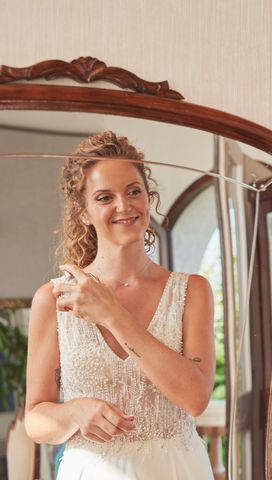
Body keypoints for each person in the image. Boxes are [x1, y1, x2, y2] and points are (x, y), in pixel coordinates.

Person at [24, 131, 215, 479]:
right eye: (104, 197)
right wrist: (75, 412)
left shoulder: (191, 292)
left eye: (133, 191)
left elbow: (195, 399)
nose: (124, 206)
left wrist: (113, 315)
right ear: (83, 213)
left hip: (177, 469)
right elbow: (35, 419)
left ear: (148, 196)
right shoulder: (52, 301)